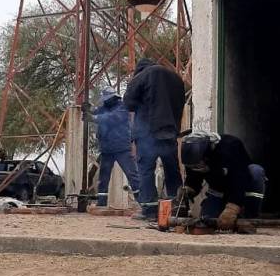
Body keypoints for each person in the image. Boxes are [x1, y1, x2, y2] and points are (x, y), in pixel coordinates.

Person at [123, 58, 186, 220]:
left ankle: (150, 211)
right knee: (172, 170)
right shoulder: (176, 79)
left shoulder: (144, 75)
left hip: (149, 132)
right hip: (170, 131)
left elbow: (128, 102)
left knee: (146, 170)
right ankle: (179, 208)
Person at [179, 131, 266, 230]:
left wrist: (232, 208)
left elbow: (240, 179)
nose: (196, 168)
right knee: (206, 222)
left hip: (241, 189)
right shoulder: (192, 158)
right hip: (217, 192)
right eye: (193, 167)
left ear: (208, 155)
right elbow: (193, 178)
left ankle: (249, 218)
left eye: (199, 165)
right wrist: (188, 189)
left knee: (256, 171)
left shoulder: (231, 146)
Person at [93, 87, 140, 207]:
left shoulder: (122, 108)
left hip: (121, 148)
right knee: (103, 178)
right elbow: (97, 113)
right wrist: (89, 110)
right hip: (107, 148)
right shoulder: (103, 108)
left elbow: (111, 118)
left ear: (114, 98)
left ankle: (143, 203)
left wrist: (94, 118)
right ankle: (101, 203)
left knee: (132, 175)